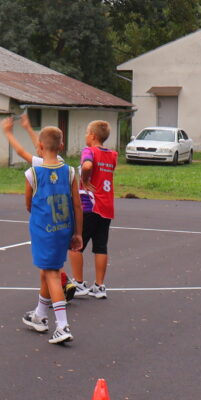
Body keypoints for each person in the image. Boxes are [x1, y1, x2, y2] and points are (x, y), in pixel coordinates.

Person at [20, 121, 83, 345]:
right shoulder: (70, 171)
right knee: (47, 271)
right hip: (63, 228)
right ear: (62, 145)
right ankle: (39, 315)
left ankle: (62, 325)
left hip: (43, 230)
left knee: (53, 273)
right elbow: (77, 205)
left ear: (39, 146)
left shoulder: (33, 174)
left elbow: (28, 204)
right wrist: (78, 233)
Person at [71, 120, 117, 300]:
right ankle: (99, 285)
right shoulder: (113, 155)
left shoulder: (88, 151)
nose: (85, 136)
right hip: (107, 206)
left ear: (93, 136)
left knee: (75, 245)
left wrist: (85, 178)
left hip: (90, 205)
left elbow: (88, 165)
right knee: (100, 246)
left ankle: (79, 282)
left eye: (86, 132)